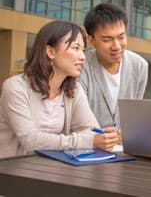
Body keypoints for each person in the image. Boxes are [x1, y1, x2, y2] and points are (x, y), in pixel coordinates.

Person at [0, 21, 119, 159]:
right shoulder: (15, 87)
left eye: (83, 50)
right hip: (12, 170)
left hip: (53, 166)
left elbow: (90, 130)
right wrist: (88, 140)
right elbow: (30, 141)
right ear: (50, 52)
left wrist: (98, 138)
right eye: (75, 48)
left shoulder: (74, 89)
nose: (82, 57)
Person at [80, 3, 148, 129]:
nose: (116, 46)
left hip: (124, 144)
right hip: (90, 143)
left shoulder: (140, 66)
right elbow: (78, 117)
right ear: (90, 40)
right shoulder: (81, 66)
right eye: (107, 40)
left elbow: (134, 114)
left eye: (121, 37)